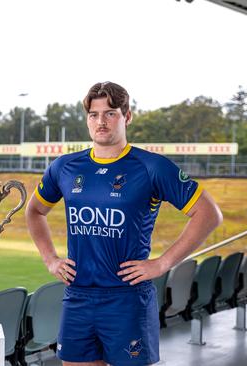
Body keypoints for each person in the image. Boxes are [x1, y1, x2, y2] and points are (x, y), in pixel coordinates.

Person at [25, 82, 222, 366]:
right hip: (78, 296)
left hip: (127, 298)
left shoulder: (151, 167)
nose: (101, 121)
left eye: (110, 113)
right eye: (94, 114)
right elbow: (34, 212)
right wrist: (50, 259)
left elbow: (209, 214)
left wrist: (162, 264)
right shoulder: (65, 167)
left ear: (127, 116)